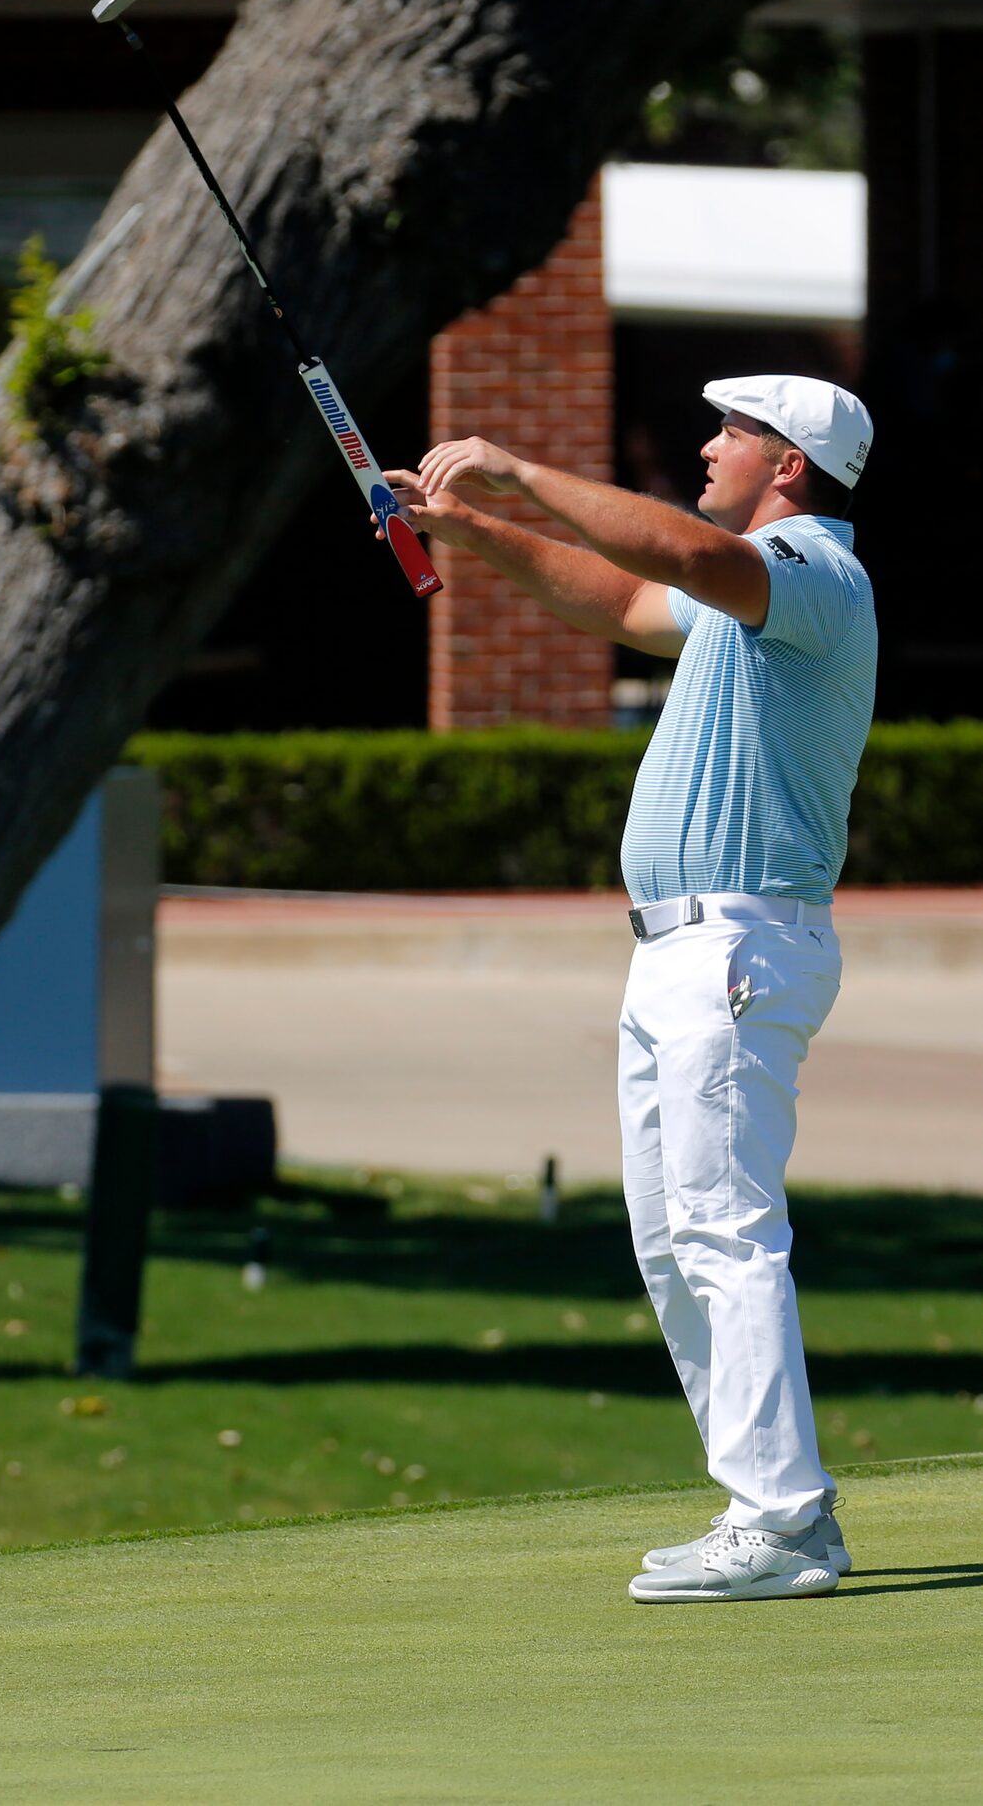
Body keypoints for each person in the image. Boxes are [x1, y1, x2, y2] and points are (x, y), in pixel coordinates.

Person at [384, 373, 876, 1605]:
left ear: (789, 470)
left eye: (733, 435)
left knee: (723, 1228)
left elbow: (683, 549)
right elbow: (621, 595)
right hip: (675, 955)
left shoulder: (809, 574)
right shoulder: (734, 603)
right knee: (672, 1242)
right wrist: (469, 530)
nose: (708, 447)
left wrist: (515, 470)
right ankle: (757, 1504)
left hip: (736, 950)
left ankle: (786, 1518)